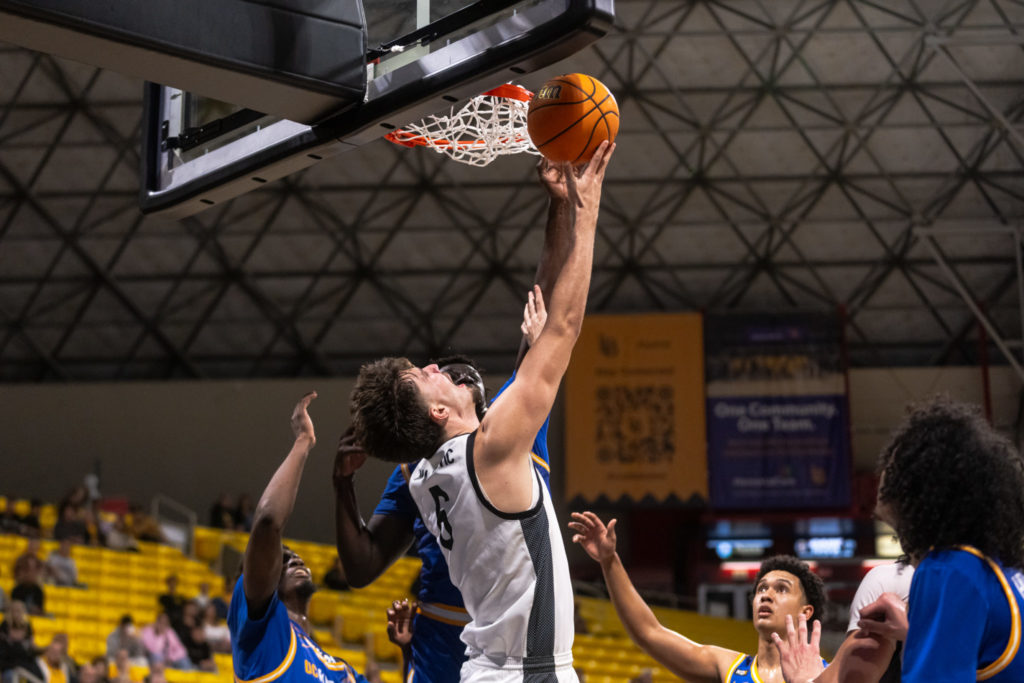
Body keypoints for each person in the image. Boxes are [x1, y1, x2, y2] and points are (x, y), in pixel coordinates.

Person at [350, 141, 614, 682]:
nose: (433, 367)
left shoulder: (424, 474)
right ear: (438, 412)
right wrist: (585, 212)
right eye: (423, 377)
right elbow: (563, 326)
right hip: (525, 672)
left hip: (493, 667)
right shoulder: (490, 451)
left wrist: (558, 207)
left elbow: (544, 315)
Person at [774, 397, 1024, 683]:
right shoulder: (996, 572)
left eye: (895, 469)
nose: (883, 475)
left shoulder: (946, 569)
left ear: (922, 487)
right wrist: (915, 629)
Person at [569, 511, 826, 683]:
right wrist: (609, 561)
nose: (766, 595)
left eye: (781, 589)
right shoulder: (729, 667)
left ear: (806, 611)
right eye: (761, 589)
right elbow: (648, 632)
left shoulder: (828, 674)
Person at [228, 392, 369, 683]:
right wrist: (303, 441)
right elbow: (267, 522)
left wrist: (408, 651)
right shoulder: (262, 632)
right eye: (283, 561)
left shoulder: (342, 671)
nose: (293, 559)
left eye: (293, 556)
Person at [0, 601, 38, 676]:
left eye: (19, 611)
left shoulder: (27, 625)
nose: (16, 614)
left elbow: (31, 645)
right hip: (8, 664)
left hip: (24, 663)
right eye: (14, 611)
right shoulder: (5, 625)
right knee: (11, 676)